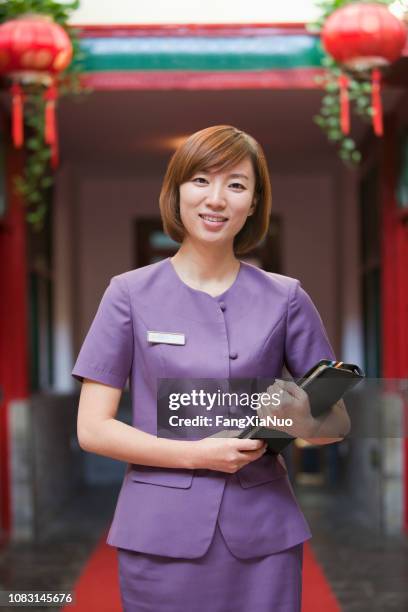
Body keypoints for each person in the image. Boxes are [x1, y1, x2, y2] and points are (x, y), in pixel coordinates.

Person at [72, 125, 350, 612]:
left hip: (263, 531)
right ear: (176, 191)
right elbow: (93, 430)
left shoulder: (286, 297)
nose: (216, 199)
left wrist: (297, 417)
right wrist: (199, 455)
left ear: (253, 202)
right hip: (160, 531)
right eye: (201, 180)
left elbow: (337, 423)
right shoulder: (128, 294)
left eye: (236, 185)